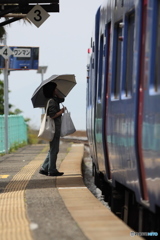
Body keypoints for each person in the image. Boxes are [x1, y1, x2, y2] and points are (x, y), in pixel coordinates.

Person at [39, 82, 65, 176]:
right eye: (55, 89)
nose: (56, 90)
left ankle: (44, 168)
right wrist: (61, 111)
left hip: (54, 127)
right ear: (51, 90)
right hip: (53, 128)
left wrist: (57, 94)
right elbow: (52, 115)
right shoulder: (51, 101)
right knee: (54, 149)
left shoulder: (52, 100)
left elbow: (62, 99)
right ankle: (52, 170)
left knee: (52, 149)